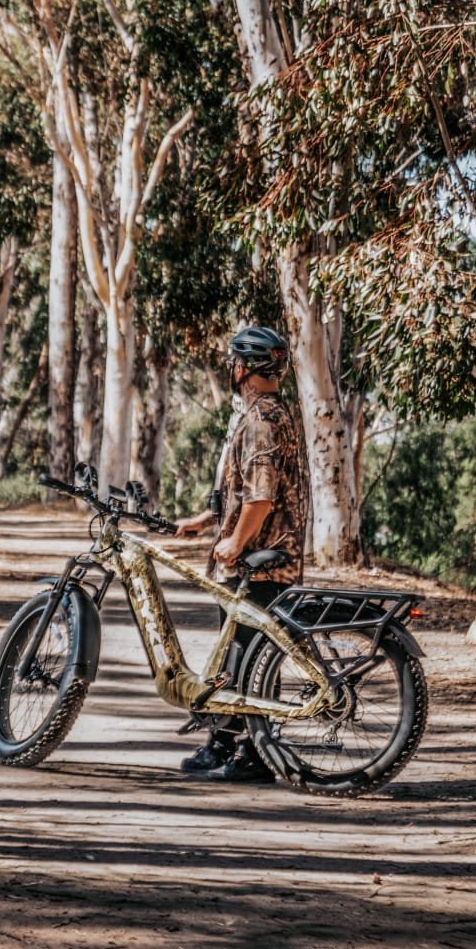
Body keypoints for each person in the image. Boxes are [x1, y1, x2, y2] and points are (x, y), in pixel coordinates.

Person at [174, 325, 306, 784]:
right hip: (259, 558)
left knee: (247, 657)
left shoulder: (262, 420)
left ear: (244, 368)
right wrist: (204, 521)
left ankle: (253, 751)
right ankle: (223, 742)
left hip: (261, 563)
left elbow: (263, 497)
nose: (231, 369)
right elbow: (243, 492)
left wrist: (234, 543)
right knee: (237, 654)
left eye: (234, 362)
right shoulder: (268, 413)